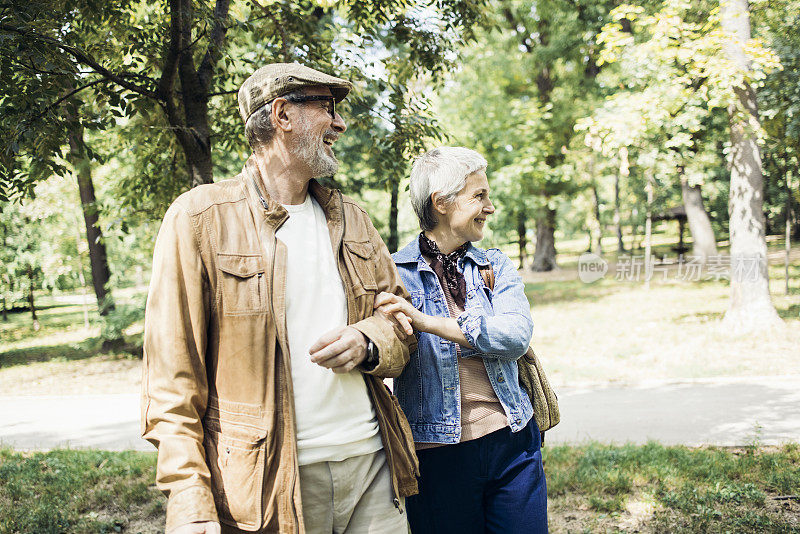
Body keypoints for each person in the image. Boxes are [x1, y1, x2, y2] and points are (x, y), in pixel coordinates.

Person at [141, 63, 419, 534]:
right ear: (282, 114)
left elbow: (402, 323)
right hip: (268, 484)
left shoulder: (352, 218)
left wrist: (369, 341)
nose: (340, 123)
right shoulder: (199, 219)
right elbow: (172, 378)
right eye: (327, 108)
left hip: (373, 466)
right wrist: (190, 500)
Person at [375, 147, 548, 533]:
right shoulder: (393, 274)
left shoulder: (494, 265)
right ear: (441, 202)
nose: (490, 206)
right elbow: (385, 353)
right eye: (479, 196)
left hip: (513, 440)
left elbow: (516, 336)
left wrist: (428, 323)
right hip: (438, 455)